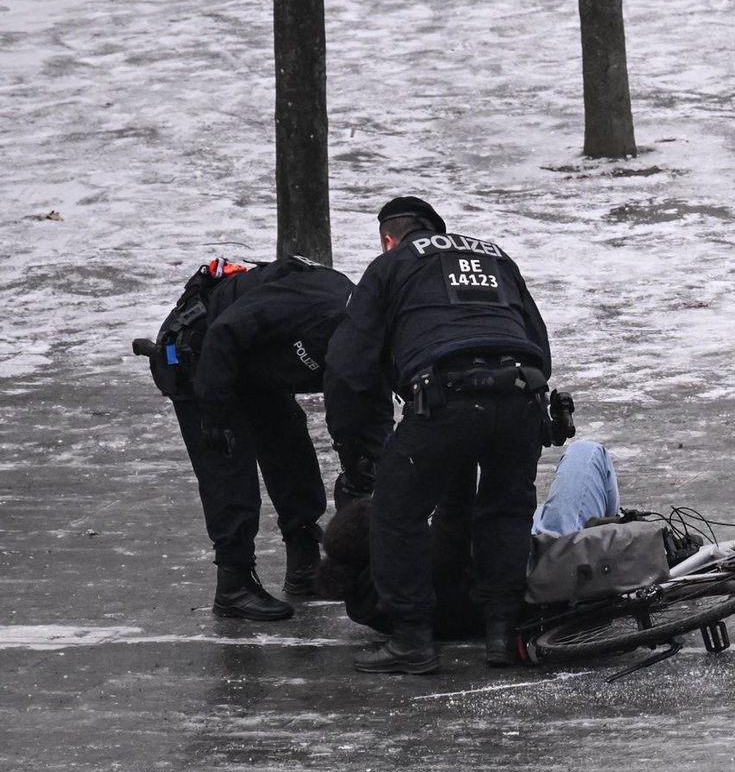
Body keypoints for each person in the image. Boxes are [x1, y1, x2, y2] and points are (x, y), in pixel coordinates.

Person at [323, 196, 552, 674]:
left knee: (395, 512)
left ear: (390, 239)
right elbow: (537, 339)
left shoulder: (391, 265)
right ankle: (501, 633)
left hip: (447, 393)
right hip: (521, 394)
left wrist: (359, 445)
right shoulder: (495, 257)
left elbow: (348, 364)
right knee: (506, 511)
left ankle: (411, 640)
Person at [137, 256, 354, 620]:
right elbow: (225, 331)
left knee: (290, 449)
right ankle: (234, 585)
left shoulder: (363, 331)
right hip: (199, 353)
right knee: (228, 469)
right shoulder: (317, 306)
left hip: (251, 364)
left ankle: (304, 566)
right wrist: (214, 415)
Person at [318, 439, 621, 644]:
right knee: (587, 452)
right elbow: (458, 512)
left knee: (536, 509)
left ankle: (604, 548)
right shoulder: (429, 564)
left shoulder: (368, 600)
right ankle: (609, 567)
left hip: (502, 579)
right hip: (541, 565)